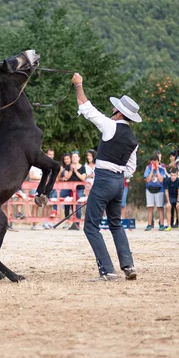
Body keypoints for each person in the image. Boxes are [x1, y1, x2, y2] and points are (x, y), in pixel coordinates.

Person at [72, 72, 138, 280]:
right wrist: (116, 173)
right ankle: (128, 266)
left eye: (114, 108)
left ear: (118, 112)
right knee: (115, 224)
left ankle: (108, 270)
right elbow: (130, 169)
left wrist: (78, 84)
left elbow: (86, 108)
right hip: (119, 183)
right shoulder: (133, 140)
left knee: (90, 227)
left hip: (104, 180)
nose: (112, 110)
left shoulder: (111, 126)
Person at [144, 154, 166, 231]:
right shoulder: (148, 168)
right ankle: (149, 224)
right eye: (152, 161)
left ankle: (161, 224)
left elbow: (161, 180)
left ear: (158, 161)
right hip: (149, 189)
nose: (154, 163)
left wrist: (156, 169)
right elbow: (147, 180)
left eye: (155, 161)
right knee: (150, 207)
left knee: (160, 207)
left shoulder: (162, 169)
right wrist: (151, 170)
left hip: (159, 190)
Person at [69, 150, 86, 230]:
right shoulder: (68, 166)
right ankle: (73, 222)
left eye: (76, 157)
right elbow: (66, 178)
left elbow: (83, 178)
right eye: (73, 157)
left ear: (79, 158)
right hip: (70, 189)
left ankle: (78, 223)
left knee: (78, 205)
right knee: (71, 206)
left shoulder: (82, 167)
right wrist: (71, 171)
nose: (74, 158)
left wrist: (76, 172)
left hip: (79, 189)